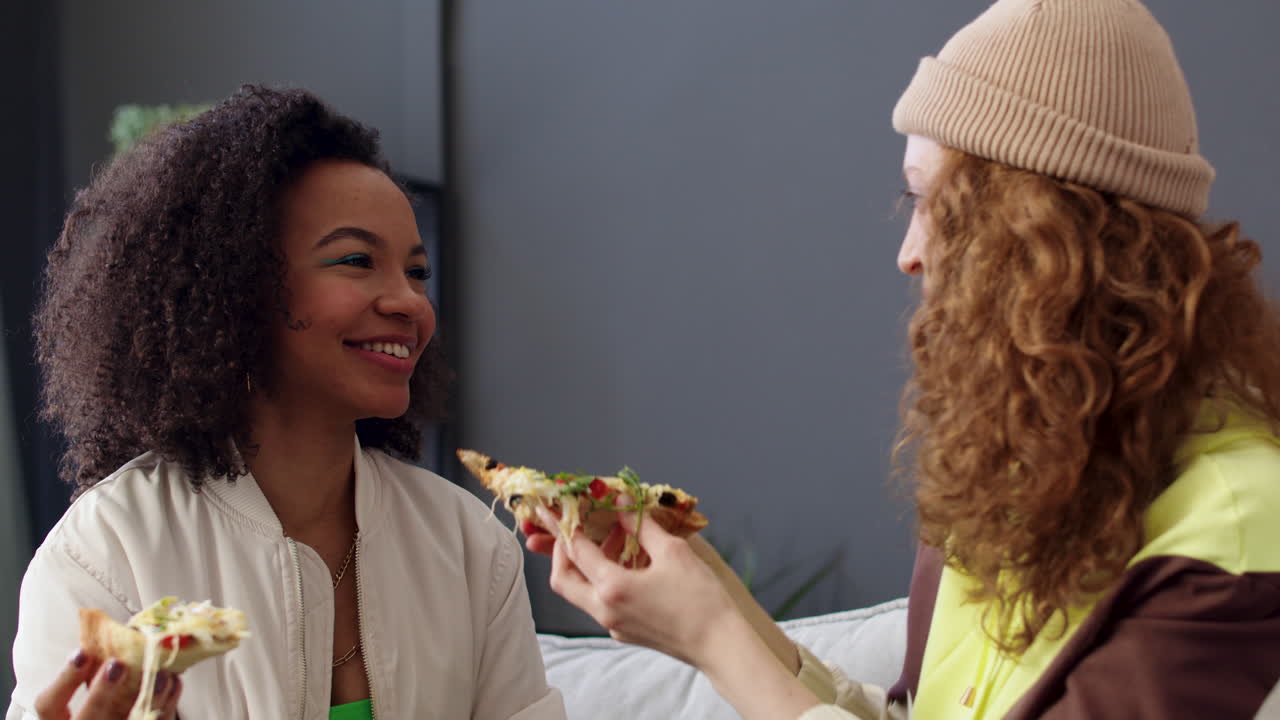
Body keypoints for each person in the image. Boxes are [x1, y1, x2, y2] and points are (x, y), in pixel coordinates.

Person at [532, 1, 1280, 718]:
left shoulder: (1241, 529)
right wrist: (716, 596)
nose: (908, 253)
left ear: (1049, 243)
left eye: (934, 206)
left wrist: (714, 639)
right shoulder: (1027, 458)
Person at [8, 85, 566, 720]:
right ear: (234, 289)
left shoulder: (467, 543)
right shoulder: (105, 551)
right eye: (356, 260)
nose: (410, 303)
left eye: (416, 272)